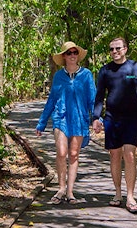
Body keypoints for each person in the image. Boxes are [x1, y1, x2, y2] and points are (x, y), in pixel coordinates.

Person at [92, 37, 137, 213]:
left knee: (130, 154)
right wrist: (96, 118)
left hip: (132, 118)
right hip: (112, 118)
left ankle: (131, 196)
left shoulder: (136, 68)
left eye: (118, 48)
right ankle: (118, 193)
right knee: (115, 155)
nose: (114, 52)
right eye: (111, 49)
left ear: (125, 49)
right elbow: (99, 96)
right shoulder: (105, 71)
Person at [35, 41, 96, 204]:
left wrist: (97, 118)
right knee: (62, 153)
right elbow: (51, 99)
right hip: (60, 118)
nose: (72, 56)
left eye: (75, 52)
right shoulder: (59, 76)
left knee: (74, 155)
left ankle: (70, 191)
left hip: (79, 119)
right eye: (69, 53)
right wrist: (41, 123)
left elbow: (92, 99)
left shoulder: (86, 75)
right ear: (64, 56)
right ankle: (60, 189)